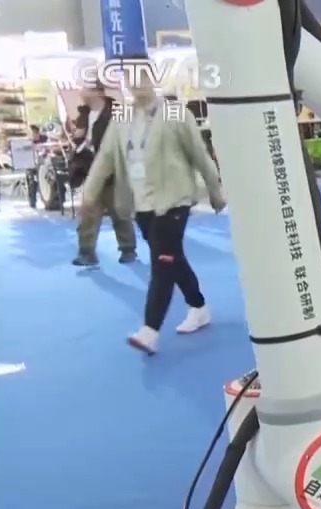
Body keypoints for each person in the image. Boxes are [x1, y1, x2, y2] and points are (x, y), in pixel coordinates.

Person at [81, 67, 226, 354]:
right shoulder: (122, 115)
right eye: (130, 79)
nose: (136, 84)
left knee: (162, 262)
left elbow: (199, 153)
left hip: (174, 198)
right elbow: (105, 157)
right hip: (142, 204)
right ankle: (198, 307)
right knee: (172, 257)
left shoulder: (173, 111)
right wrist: (89, 192)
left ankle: (149, 330)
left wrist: (215, 190)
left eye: (142, 77)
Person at [72, 82, 138, 266]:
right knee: (88, 214)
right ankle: (86, 252)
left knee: (119, 212)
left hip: (115, 170)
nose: (80, 92)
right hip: (91, 169)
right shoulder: (83, 114)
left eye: (84, 88)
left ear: (97, 92)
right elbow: (79, 140)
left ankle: (128, 249)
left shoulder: (119, 111)